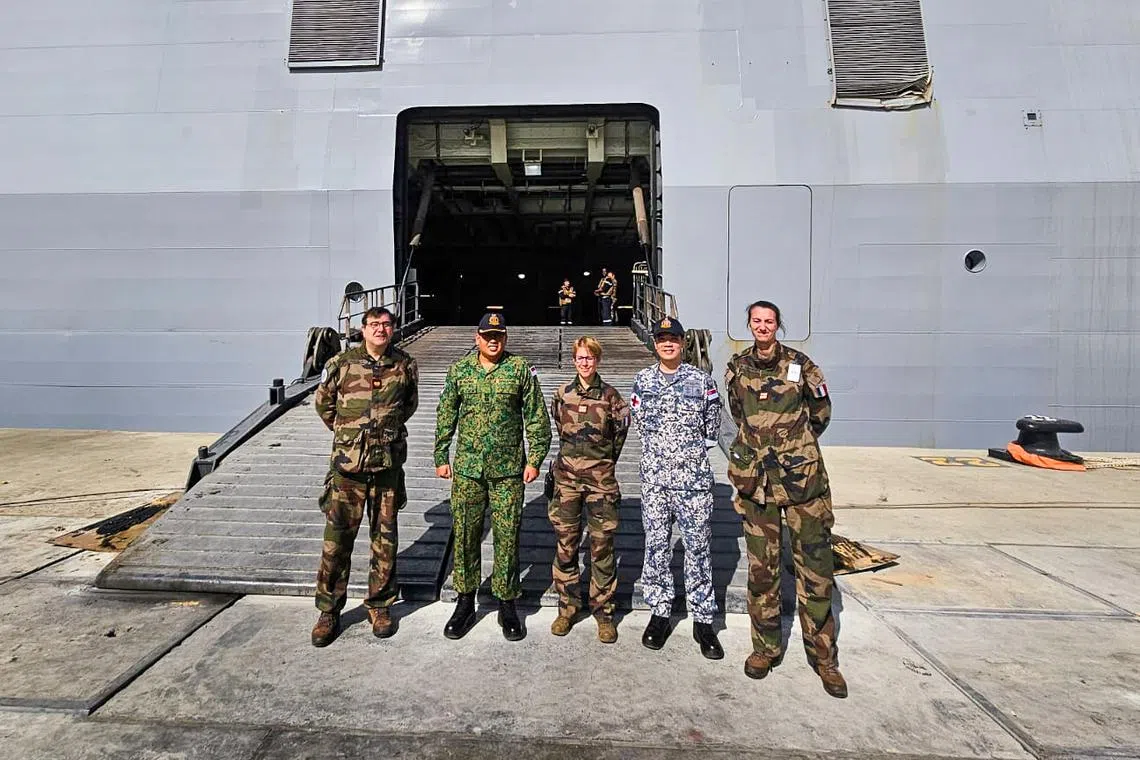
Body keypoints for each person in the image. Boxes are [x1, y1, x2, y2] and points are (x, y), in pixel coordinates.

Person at [724, 300, 847, 698]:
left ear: (778, 325)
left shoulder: (802, 365)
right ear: (749, 325)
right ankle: (765, 649)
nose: (763, 327)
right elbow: (738, 413)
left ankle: (824, 659)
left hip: (802, 482)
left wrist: (793, 446)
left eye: (769, 321)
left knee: (815, 570)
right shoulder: (737, 368)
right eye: (756, 321)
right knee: (763, 572)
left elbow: (821, 413)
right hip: (757, 483)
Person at [434, 312, 552, 641]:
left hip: (508, 471)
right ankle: (465, 601)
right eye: (487, 335)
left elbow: (536, 416)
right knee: (467, 535)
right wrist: (441, 455)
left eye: (498, 335)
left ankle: (506, 602)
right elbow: (446, 412)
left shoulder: (519, 370)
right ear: (477, 337)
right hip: (469, 470)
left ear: (505, 338)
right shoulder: (460, 370)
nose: (493, 340)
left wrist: (536, 458)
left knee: (507, 536)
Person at [310, 306, 419, 647]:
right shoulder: (342, 363)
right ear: (363, 329)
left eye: (387, 325)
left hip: (386, 466)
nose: (381, 330)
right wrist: (349, 435)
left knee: (384, 542)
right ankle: (329, 610)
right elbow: (324, 405)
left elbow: (409, 406)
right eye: (375, 325)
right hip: (348, 470)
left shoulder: (404, 364)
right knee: (336, 542)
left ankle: (380, 605)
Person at [629, 316, 724, 659]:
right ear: (655, 344)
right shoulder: (642, 380)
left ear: (683, 343)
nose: (667, 344)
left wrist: (687, 454)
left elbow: (712, 428)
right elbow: (639, 422)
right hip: (655, 481)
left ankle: (703, 619)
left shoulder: (702, 382)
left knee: (698, 548)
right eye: (662, 339)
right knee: (656, 546)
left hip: (693, 482)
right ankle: (660, 612)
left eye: (674, 339)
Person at [547, 336, 630, 642]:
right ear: (573, 361)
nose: (585, 363)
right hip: (567, 480)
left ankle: (604, 612)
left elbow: (618, 436)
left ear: (598, 360)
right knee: (566, 545)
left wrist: (600, 464)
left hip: (600, 482)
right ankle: (567, 607)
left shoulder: (611, 397)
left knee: (602, 547)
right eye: (580, 358)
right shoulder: (562, 395)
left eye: (590, 358)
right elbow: (559, 430)